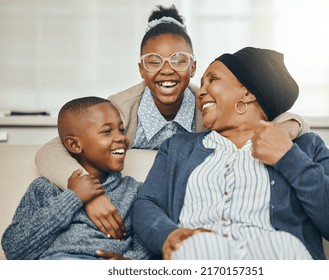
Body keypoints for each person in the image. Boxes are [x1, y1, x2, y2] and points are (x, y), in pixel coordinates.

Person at [34, 5, 308, 241]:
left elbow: (268, 113)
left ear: (193, 67)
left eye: (178, 60)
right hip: (136, 213)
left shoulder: (210, 107)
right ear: (141, 70)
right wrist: (90, 195)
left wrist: (290, 126)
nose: (166, 69)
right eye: (154, 61)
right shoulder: (120, 109)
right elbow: (50, 150)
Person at [131, 47, 329, 260]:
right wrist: (168, 235)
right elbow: (147, 203)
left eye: (212, 79)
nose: (200, 93)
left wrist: (288, 157)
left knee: (279, 244)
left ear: (248, 93)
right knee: (199, 246)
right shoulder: (178, 148)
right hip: (199, 258)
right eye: (201, 84)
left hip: (279, 258)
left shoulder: (305, 146)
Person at [1, 97, 150, 260]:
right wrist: (72, 198)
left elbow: (148, 242)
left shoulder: (134, 191)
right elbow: (13, 248)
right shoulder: (44, 189)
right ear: (74, 145)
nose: (121, 138)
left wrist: (131, 262)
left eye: (121, 130)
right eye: (107, 131)